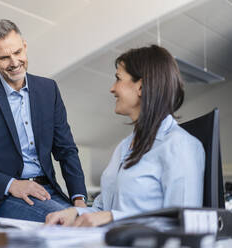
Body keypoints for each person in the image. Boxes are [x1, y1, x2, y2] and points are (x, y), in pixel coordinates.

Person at [45, 45, 205, 227]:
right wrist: (75, 212)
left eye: (118, 79)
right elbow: (103, 210)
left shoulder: (180, 145)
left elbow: (182, 225)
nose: (112, 89)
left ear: (141, 87)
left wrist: (114, 218)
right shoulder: (124, 146)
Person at [0, 19, 87, 222]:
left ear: (25, 46)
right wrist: (12, 184)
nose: (14, 62)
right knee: (66, 226)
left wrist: (79, 198)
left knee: (89, 223)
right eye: (4, 57)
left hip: (47, 189)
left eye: (17, 52)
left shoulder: (48, 90)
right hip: (3, 195)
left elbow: (66, 149)